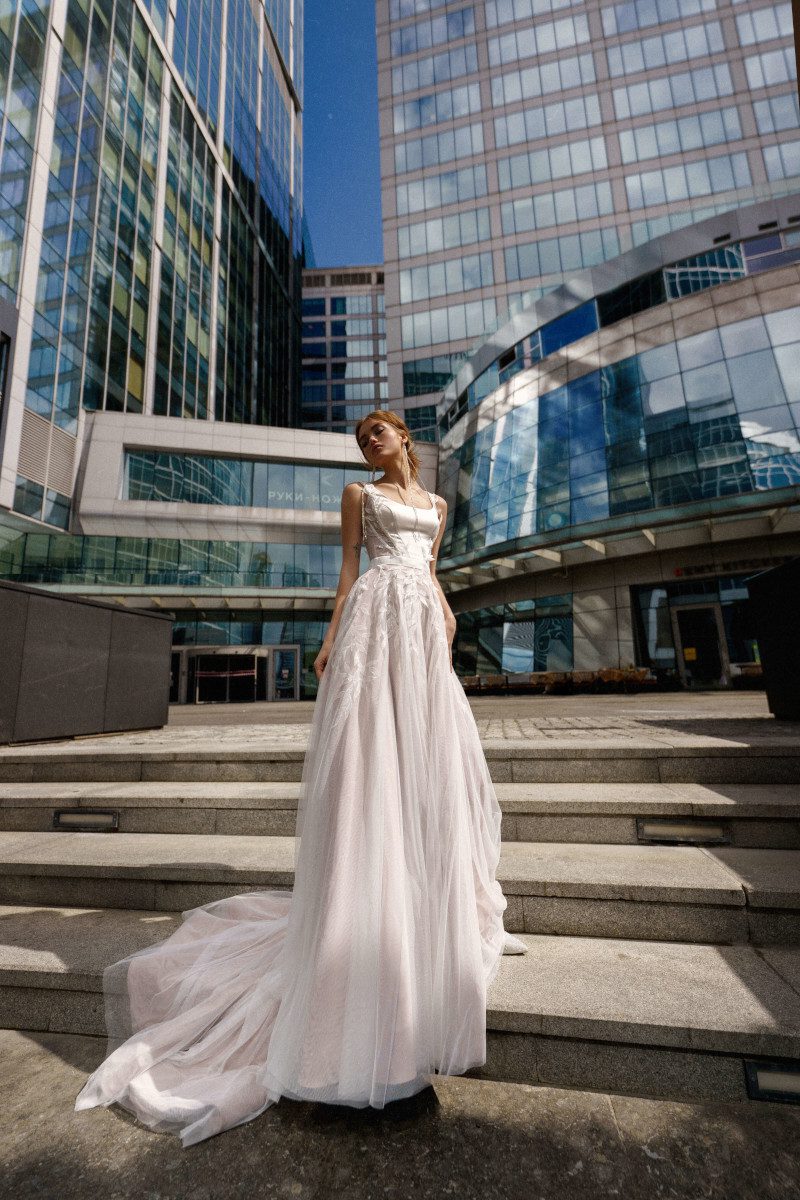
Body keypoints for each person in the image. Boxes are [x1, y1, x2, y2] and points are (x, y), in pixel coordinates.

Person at [75, 410, 524, 1147]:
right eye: (361, 438)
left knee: (432, 758)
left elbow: (432, 571)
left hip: (421, 628)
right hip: (377, 617)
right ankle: (369, 893)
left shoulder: (438, 507)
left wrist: (444, 615)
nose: (368, 443)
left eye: (378, 433)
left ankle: (438, 892)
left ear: (404, 437)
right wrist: (328, 639)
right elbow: (349, 572)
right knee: (373, 754)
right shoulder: (358, 494)